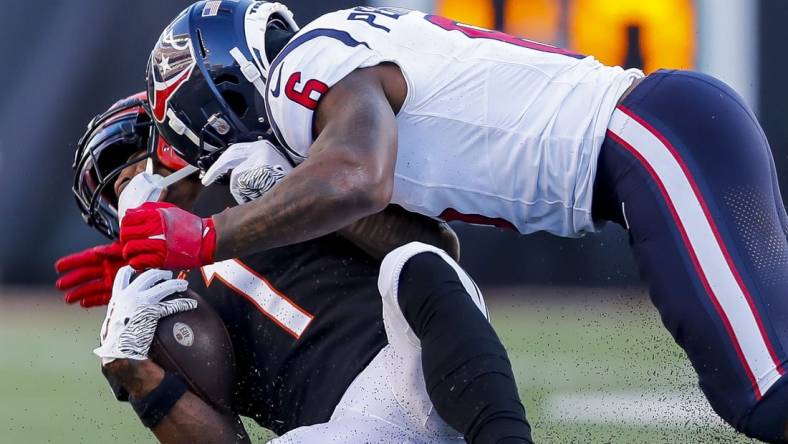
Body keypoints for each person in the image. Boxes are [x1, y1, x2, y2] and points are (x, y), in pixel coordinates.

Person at [120, 2, 788, 442]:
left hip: (651, 141)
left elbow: (357, 178)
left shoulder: (303, 71)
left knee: (765, 396)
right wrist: (273, 186)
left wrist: (208, 236)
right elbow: (427, 250)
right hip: (659, 145)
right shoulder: (328, 96)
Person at [56, 93, 533, 443]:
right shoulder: (144, 306)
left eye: (141, 157)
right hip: (352, 427)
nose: (140, 179)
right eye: (121, 182)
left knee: (415, 263)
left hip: (420, 354)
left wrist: (304, 193)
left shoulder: (264, 163)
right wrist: (135, 372)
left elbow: (437, 249)